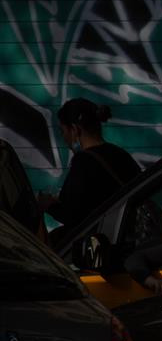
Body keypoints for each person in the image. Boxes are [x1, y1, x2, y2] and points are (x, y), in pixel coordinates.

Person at [37, 99, 140, 244]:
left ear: (75, 130)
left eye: (63, 131)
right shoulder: (121, 155)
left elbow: (73, 215)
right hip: (127, 242)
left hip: (101, 247)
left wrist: (49, 205)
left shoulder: (83, 162)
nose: (64, 138)